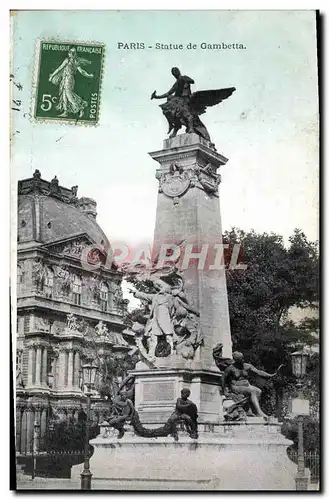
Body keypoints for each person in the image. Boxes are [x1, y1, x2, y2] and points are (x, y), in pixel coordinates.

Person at [222, 351, 277, 419]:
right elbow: (223, 378)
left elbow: (258, 372)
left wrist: (269, 375)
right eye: (241, 359)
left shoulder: (247, 366)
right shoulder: (231, 368)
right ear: (236, 360)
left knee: (259, 391)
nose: (243, 360)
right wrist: (224, 390)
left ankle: (253, 410)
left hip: (247, 385)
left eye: (243, 358)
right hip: (236, 386)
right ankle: (259, 412)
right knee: (252, 391)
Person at [49, 47, 94, 118]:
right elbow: (59, 68)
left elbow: (82, 71)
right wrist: (52, 76)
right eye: (70, 52)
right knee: (64, 96)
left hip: (69, 79)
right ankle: (65, 112)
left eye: (73, 53)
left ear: (75, 54)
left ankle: (80, 108)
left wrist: (89, 75)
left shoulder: (76, 62)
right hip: (65, 78)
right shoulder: (67, 60)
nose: (71, 54)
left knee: (69, 95)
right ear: (69, 53)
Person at [151, 67, 195, 136]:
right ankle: (172, 126)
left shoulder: (184, 78)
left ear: (179, 71)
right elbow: (168, 93)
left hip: (186, 99)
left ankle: (191, 128)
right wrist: (157, 97)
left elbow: (192, 81)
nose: (175, 73)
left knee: (186, 112)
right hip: (179, 100)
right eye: (173, 73)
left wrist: (185, 80)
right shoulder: (176, 84)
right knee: (169, 110)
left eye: (176, 71)